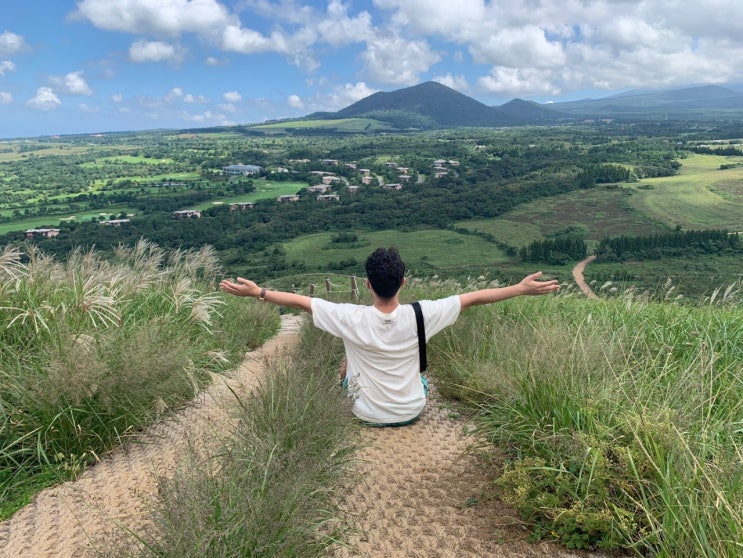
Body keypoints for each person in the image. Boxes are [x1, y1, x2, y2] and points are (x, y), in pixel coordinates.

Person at [219, 247, 560, 427]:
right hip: (413, 409)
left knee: (345, 363)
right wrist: (519, 288)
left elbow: (301, 302)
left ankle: (359, 395)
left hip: (364, 413)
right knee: (419, 377)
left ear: (367, 284)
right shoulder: (422, 314)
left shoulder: (350, 317)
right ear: (403, 283)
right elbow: (473, 298)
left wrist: (258, 292)